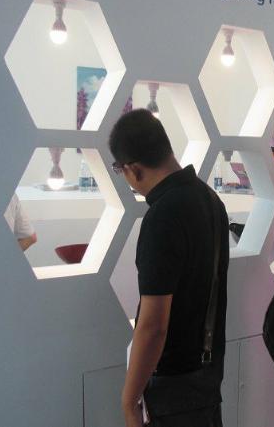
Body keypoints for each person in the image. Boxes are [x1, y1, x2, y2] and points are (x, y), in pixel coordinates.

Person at [109, 109, 229, 427]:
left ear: (133, 169)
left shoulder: (163, 215)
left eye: (120, 170)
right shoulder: (211, 200)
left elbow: (153, 325)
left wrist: (129, 400)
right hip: (206, 377)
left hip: (173, 387)